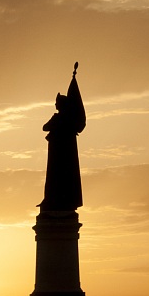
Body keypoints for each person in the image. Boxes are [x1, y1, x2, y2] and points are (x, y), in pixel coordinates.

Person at [40, 63, 86, 212]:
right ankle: (55, 199)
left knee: (57, 178)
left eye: (57, 103)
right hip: (60, 155)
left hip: (59, 156)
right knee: (59, 178)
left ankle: (56, 200)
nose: (55, 105)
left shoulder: (59, 119)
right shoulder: (65, 120)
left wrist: (55, 122)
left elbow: (44, 127)